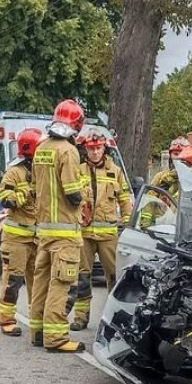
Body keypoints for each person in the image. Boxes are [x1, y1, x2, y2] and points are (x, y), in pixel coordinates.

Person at [30, 99, 87, 353]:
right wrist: (84, 193)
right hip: (65, 231)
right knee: (61, 284)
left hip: (44, 231)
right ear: (77, 124)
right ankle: (56, 338)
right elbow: (73, 193)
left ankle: (38, 332)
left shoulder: (41, 148)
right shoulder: (67, 150)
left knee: (41, 281)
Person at [66, 128, 133, 331]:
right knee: (82, 276)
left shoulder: (115, 171)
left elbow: (125, 199)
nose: (95, 152)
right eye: (91, 148)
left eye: (98, 148)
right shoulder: (78, 170)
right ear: (85, 149)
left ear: (104, 148)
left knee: (113, 276)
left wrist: (128, 223)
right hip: (84, 234)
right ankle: (80, 317)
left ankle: (114, 316)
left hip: (108, 234)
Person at [0, 127, 43, 337]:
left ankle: (38, 320)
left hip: (39, 238)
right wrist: (24, 194)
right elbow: (4, 197)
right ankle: (7, 319)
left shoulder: (43, 170)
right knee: (13, 280)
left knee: (39, 282)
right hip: (17, 238)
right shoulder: (14, 172)